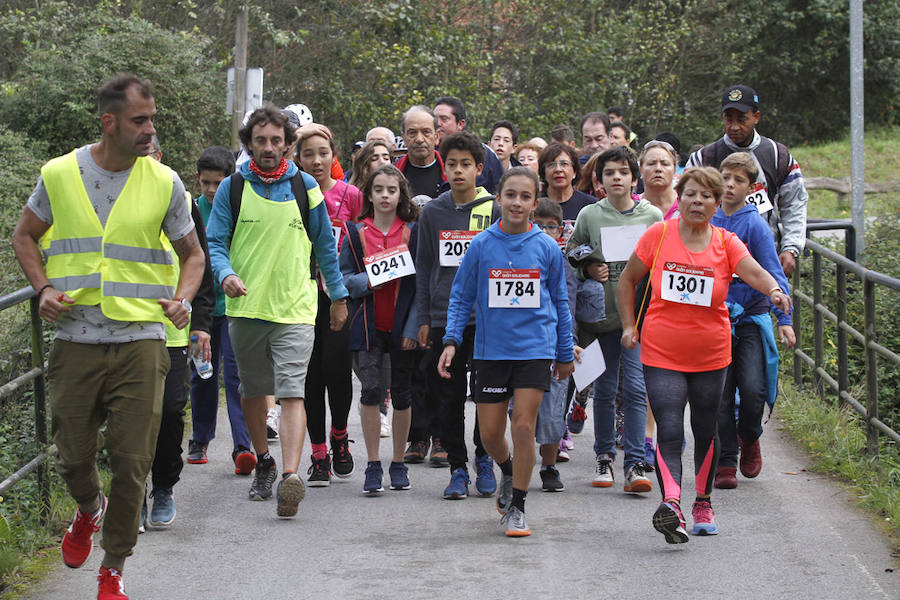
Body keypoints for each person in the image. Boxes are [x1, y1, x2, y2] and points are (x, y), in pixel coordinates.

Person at [11, 74, 205, 599]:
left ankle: (113, 568)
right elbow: (24, 236)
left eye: (152, 119)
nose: (150, 130)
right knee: (72, 453)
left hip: (143, 338)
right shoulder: (58, 174)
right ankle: (88, 509)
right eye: (140, 120)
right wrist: (43, 286)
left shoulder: (165, 182)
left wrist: (183, 300)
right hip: (75, 338)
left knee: (132, 460)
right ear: (109, 122)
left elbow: (193, 254)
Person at [616, 166, 792, 544]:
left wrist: (775, 291)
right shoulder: (659, 235)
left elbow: (755, 272)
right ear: (680, 199)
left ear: (717, 203)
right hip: (662, 349)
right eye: (691, 194)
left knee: (705, 428)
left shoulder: (726, 243)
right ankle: (673, 504)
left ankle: (703, 502)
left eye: (706, 195)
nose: (698, 201)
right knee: (670, 426)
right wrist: (630, 327)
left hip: (711, 353)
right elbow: (627, 280)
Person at [206, 105, 350, 518]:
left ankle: (290, 476)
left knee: (291, 391)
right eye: (260, 141)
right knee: (252, 392)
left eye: (275, 141)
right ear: (249, 145)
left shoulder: (306, 187)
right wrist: (225, 274)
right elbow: (215, 243)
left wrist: (337, 297)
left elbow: (326, 246)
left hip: (296, 307)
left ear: (288, 144)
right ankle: (263, 462)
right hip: (246, 307)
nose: (268, 148)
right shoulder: (234, 189)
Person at [438, 167, 575, 536]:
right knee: (491, 434)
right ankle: (510, 468)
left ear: (534, 202)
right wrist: (451, 340)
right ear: (498, 198)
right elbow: (461, 296)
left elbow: (560, 302)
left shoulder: (546, 247)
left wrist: (564, 351)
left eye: (525, 197)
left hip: (534, 349)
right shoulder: (482, 244)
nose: (517, 203)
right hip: (490, 352)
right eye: (510, 195)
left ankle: (517, 504)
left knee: (523, 425)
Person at [567, 146, 662, 493]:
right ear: (600, 180)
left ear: (634, 177)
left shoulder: (652, 216)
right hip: (601, 318)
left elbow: (663, 259)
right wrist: (590, 263)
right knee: (604, 390)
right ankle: (604, 456)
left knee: (636, 388)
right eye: (609, 173)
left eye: (623, 172)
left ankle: (635, 462)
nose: (617, 178)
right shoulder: (591, 215)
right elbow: (571, 249)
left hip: (639, 319)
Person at [415, 131, 498, 499]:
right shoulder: (432, 212)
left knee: (486, 395)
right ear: (443, 167)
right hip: (443, 319)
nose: (459, 170)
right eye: (452, 164)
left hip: (488, 320)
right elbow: (424, 268)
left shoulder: (493, 210)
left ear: (479, 168)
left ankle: (485, 458)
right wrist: (422, 318)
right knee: (447, 398)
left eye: (466, 164)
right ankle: (457, 468)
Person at [141, 136, 216, 532]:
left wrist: (200, 321)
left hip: (171, 328)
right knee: (132, 415)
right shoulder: (109, 196)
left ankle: (164, 486)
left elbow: (197, 261)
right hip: (126, 325)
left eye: (150, 152)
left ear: (160, 155)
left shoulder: (181, 198)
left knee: (170, 412)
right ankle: (132, 493)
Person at [711, 153, 795, 489]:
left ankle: (750, 435)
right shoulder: (709, 219)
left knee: (752, 388)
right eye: (725, 177)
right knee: (719, 393)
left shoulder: (755, 224)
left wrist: (784, 317)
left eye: (738, 180)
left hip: (750, 318)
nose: (730, 185)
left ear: (752, 186)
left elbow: (772, 272)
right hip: (714, 319)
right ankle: (727, 459)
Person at [340, 165, 420, 494]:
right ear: (369, 195)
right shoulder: (356, 233)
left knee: (402, 394)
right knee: (371, 390)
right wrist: (371, 279)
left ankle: (398, 461)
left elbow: (421, 286)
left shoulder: (413, 232)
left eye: (392, 190)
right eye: (379, 190)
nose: (385, 195)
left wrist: (415, 326)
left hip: (403, 326)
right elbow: (343, 278)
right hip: (367, 326)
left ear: (401, 194)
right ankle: (373, 464)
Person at [294, 126, 361, 486]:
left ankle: (340, 437)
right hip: (300, 296)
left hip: (338, 295)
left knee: (337, 371)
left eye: (323, 153)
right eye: (308, 154)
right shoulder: (291, 195)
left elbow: (364, 241)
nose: (316, 161)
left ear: (332, 155)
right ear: (298, 159)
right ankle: (318, 453)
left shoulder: (350, 195)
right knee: (310, 375)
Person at [686, 85, 808, 277]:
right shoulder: (703, 158)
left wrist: (791, 248)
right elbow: (683, 205)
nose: (734, 127)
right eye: (729, 119)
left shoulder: (778, 155)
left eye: (741, 119)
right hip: (712, 262)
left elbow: (795, 203)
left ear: (756, 117)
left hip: (764, 259)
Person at [186, 146, 255, 474]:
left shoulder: (239, 208)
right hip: (201, 308)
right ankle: (200, 438)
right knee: (202, 373)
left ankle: (243, 445)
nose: (212, 190)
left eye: (218, 183)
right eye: (206, 183)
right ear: (198, 180)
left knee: (236, 375)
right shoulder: (190, 211)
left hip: (234, 305)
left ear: (231, 180)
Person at [531, 199, 580, 491]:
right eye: (539, 225)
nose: (545, 231)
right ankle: (516, 465)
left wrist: (569, 342)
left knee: (552, 414)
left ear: (561, 230)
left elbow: (568, 304)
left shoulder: (564, 262)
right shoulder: (521, 254)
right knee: (519, 414)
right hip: (521, 343)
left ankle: (548, 466)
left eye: (551, 226)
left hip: (555, 345)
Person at [433, 95, 503, 193]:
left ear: (461, 124)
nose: (438, 123)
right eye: (435, 119)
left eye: (444, 119)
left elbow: (499, 190)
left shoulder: (485, 154)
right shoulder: (427, 153)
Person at [538, 143, 595, 242]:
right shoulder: (534, 205)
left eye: (564, 164)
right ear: (544, 172)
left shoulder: (591, 206)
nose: (558, 170)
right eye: (551, 165)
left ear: (574, 172)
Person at [395, 105, 445, 198]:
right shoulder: (391, 175)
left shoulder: (453, 173)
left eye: (426, 132)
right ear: (404, 138)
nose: (419, 139)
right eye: (412, 133)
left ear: (437, 136)